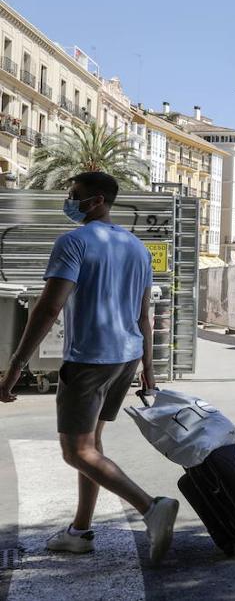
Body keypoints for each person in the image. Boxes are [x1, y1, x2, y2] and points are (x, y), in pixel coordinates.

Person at [0, 172, 179, 565]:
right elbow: (144, 315)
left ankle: (151, 507)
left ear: (97, 200)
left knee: (76, 451)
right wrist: (148, 368)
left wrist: (14, 367)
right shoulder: (137, 247)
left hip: (90, 358)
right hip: (126, 356)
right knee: (93, 447)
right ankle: (79, 532)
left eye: (74, 195)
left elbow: (49, 307)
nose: (69, 201)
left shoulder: (74, 242)